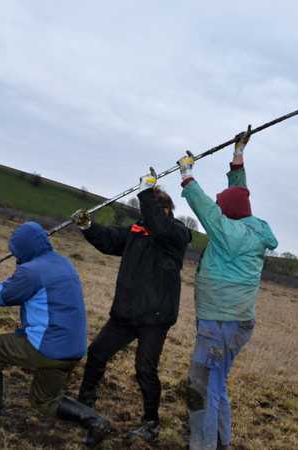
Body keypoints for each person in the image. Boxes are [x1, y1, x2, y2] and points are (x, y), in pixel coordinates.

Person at [0, 221, 111, 447]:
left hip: (48, 346)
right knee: (44, 400)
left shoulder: (32, 271)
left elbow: (1, 295)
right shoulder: (64, 263)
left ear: (24, 249)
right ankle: (95, 421)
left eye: (16, 251)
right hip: (73, 348)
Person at [70, 171, 192, 443]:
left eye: (153, 210)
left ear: (166, 211)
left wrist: (146, 192)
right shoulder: (137, 232)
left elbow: (160, 227)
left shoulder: (177, 234)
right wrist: (88, 226)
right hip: (125, 314)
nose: (147, 215)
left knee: (145, 369)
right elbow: (110, 240)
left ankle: (151, 423)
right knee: (97, 353)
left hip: (155, 318)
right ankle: (85, 403)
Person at [176, 126, 278, 450]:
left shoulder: (226, 232)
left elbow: (205, 207)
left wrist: (187, 175)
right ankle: (221, 443)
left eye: (222, 209)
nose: (219, 211)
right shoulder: (252, 229)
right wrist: (238, 156)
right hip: (237, 324)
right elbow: (239, 196)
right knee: (217, 384)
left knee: (201, 387)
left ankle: (203, 445)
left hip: (218, 325)